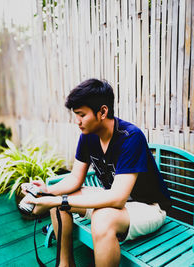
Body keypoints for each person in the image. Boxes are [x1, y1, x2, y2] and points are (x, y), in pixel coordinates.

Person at [22, 78, 171, 267]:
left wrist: (58, 200)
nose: (77, 121)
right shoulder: (88, 136)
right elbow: (76, 178)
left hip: (149, 207)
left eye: (81, 115)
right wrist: (48, 191)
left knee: (101, 218)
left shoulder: (130, 137)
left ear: (102, 112)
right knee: (60, 197)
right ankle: (65, 264)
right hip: (118, 202)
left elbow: (117, 198)